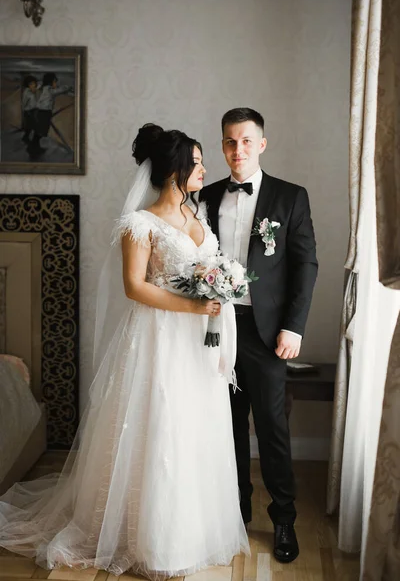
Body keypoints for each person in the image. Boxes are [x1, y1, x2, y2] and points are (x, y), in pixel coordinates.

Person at [0, 124, 249, 579]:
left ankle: (192, 531)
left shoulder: (198, 218)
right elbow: (134, 287)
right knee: (160, 426)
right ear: (174, 169)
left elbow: (207, 268)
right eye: (196, 162)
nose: (204, 168)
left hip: (196, 343)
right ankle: (151, 541)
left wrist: (219, 289)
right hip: (158, 339)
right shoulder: (141, 223)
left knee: (195, 428)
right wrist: (194, 305)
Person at [200, 107, 318, 564]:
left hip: (268, 333)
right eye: (230, 141)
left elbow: (305, 264)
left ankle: (284, 518)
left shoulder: (291, 197)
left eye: (246, 141)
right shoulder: (207, 196)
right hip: (218, 327)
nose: (237, 150)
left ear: (262, 144)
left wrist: (294, 326)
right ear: (223, 145)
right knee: (225, 425)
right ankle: (237, 511)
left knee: (272, 429)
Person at [28, 72, 71, 155]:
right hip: (44, 113)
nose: (56, 83)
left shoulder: (43, 88)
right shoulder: (49, 90)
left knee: (38, 132)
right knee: (40, 132)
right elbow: (60, 90)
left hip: (38, 111)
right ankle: (33, 149)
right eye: (55, 82)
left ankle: (34, 148)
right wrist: (68, 88)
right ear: (50, 82)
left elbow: (43, 86)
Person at [21, 75, 38, 144]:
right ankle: (26, 138)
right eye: (30, 84)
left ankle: (27, 138)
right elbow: (24, 103)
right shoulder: (26, 92)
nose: (33, 85)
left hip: (34, 110)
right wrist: (25, 111)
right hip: (28, 111)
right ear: (27, 85)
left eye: (34, 83)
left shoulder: (33, 90)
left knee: (32, 126)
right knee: (29, 126)